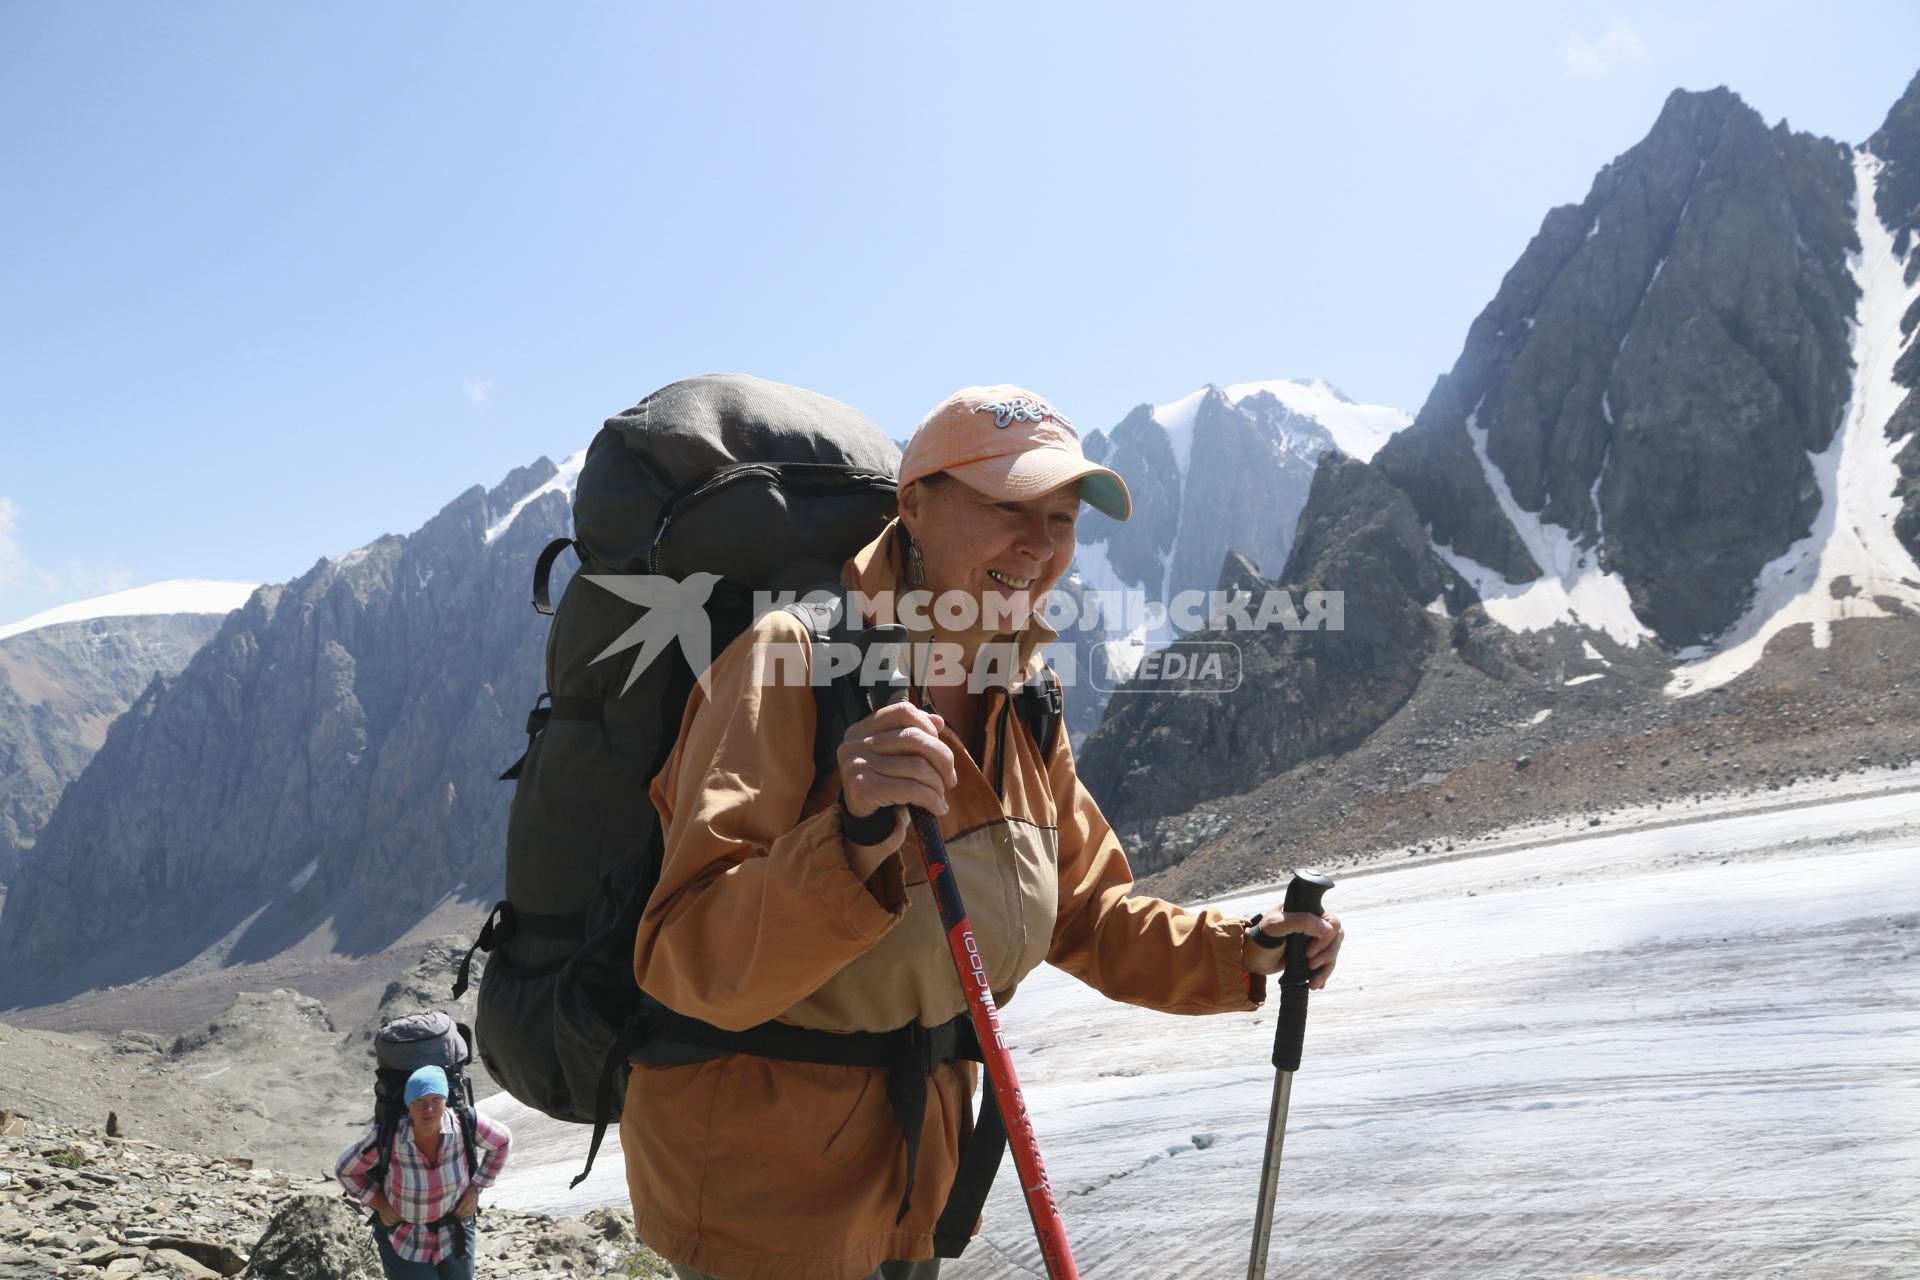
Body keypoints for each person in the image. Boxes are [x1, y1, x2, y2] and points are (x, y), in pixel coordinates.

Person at [621, 384, 1345, 1280]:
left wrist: (1243, 949)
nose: (1038, 546)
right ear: (914, 505)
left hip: (915, 1182)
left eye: (1061, 518)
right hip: (762, 1201)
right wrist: (849, 842)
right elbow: (684, 955)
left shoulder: (1021, 696)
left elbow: (1081, 910)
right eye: (1006, 506)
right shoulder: (789, 662)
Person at [337, 1065, 513, 1279]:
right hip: (405, 1236)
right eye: (419, 1101)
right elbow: (346, 1170)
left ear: (445, 1100)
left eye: (435, 1099)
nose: (427, 1109)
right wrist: (379, 1203)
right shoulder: (390, 1137)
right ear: (408, 1104)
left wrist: (476, 1188)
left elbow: (503, 1142)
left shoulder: (465, 1125)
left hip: (454, 1231)